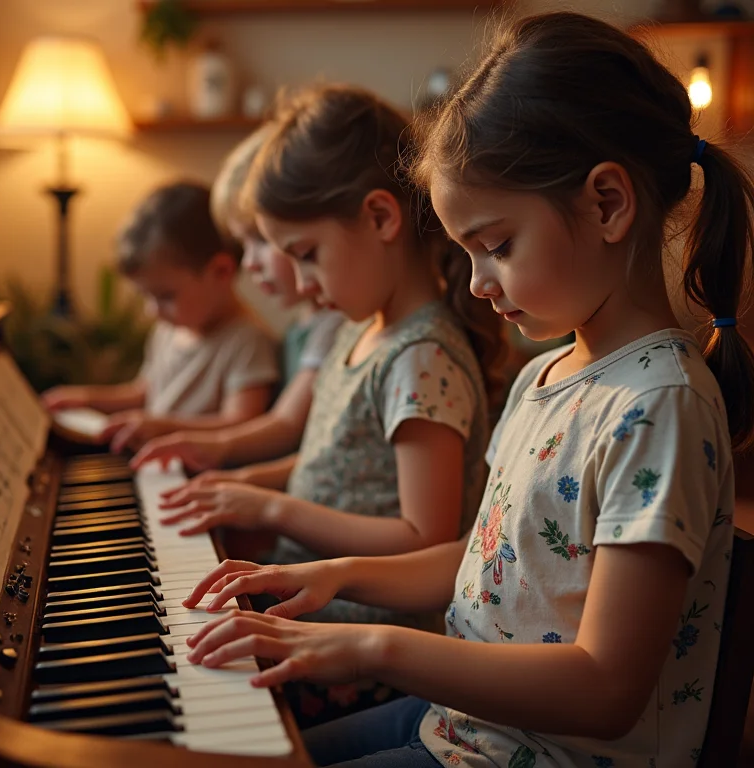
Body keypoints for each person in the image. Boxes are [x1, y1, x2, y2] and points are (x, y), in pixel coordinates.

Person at [178, 12, 754, 767]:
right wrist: (330, 576)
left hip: (536, 755)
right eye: (467, 253)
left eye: (498, 246)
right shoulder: (545, 377)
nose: (477, 285)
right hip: (463, 725)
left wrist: (372, 646)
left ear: (608, 204)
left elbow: (606, 690)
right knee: (223, 749)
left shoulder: (660, 407)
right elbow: (483, 558)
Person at [155, 85, 505, 631]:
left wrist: (274, 509)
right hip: (316, 609)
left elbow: (425, 537)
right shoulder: (360, 329)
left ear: (380, 219)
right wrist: (245, 483)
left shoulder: (422, 359)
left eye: (308, 256)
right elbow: (334, 467)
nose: (299, 283)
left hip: (366, 633)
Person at [129, 125, 344, 492]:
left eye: (262, 239)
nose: (248, 264)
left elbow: (284, 426)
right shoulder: (303, 324)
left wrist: (224, 469)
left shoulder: (329, 327)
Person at [41, 181, 279, 453]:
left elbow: (242, 422)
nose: (152, 311)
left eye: (165, 296)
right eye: (147, 297)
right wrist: (86, 399)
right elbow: (144, 392)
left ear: (221, 272)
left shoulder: (247, 341)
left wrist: (164, 427)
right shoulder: (171, 328)